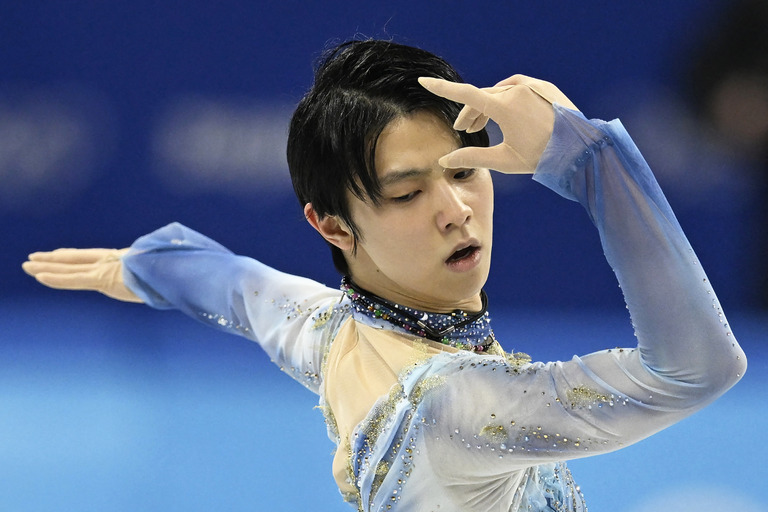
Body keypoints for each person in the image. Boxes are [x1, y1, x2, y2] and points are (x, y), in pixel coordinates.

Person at [22, 40, 746, 512]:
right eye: (407, 194)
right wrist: (590, 163)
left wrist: (145, 267)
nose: (456, 210)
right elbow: (696, 370)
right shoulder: (459, 408)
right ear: (331, 226)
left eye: (466, 171)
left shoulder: (331, 332)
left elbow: (236, 287)